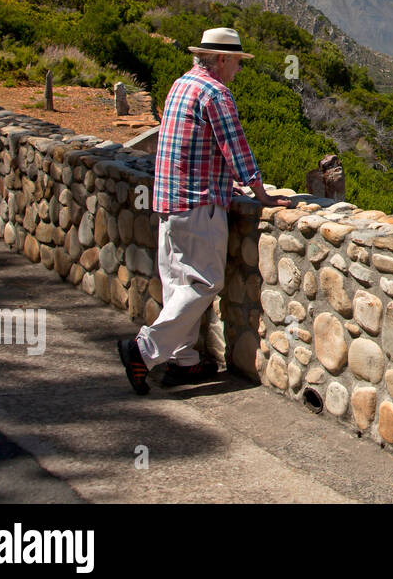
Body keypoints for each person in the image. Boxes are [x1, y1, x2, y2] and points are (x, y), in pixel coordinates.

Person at [117, 27, 291, 394]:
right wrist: (262, 195)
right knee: (204, 283)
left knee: (178, 282)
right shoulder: (215, 93)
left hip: (168, 201)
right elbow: (236, 150)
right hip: (199, 204)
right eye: (238, 62)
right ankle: (143, 351)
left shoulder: (180, 85)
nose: (239, 70)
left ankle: (185, 362)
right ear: (223, 59)